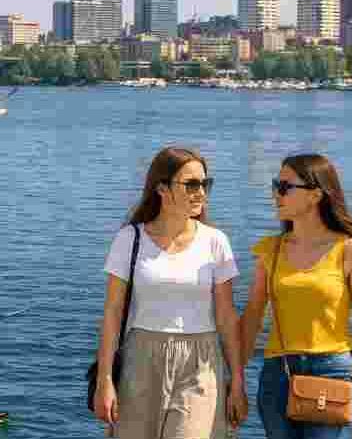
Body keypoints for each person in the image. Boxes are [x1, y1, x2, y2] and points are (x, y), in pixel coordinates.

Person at [238, 153, 352, 439]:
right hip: (278, 373)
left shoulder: (350, 250)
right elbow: (252, 317)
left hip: (332, 371)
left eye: (285, 187)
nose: (276, 194)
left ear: (315, 195)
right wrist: (235, 378)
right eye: (275, 185)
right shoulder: (270, 250)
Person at [91, 147, 245, 438]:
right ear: (162, 188)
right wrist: (105, 380)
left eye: (205, 183)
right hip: (140, 358)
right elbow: (112, 313)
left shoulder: (215, 242)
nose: (201, 192)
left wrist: (237, 380)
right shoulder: (129, 239)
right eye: (191, 184)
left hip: (201, 362)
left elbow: (226, 316)